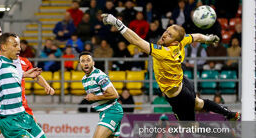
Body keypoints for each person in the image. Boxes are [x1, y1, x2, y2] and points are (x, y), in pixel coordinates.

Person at [101, 13, 240, 121]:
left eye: (170, 35)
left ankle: (226, 133)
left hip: (178, 95)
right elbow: (196, 36)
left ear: (174, 41)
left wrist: (116, 22)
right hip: (183, 81)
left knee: (191, 128)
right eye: (167, 31)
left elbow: (136, 41)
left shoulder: (164, 52)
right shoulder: (181, 41)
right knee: (199, 103)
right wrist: (208, 39)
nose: (165, 35)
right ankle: (229, 114)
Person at [79, 51, 140, 138]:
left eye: (88, 60)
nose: (85, 63)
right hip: (107, 112)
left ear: (93, 63)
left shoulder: (99, 75)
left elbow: (114, 94)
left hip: (111, 111)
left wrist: (94, 97)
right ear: (80, 65)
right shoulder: (84, 79)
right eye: (83, 61)